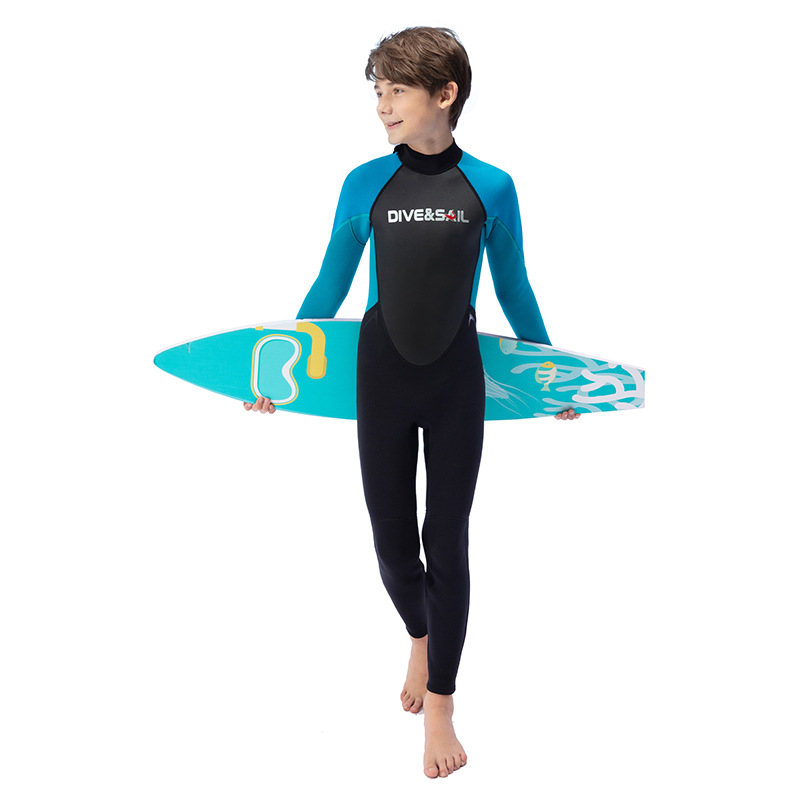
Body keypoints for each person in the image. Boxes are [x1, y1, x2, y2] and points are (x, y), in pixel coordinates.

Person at [244, 27, 580, 779]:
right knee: (394, 545)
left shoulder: (491, 187)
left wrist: (552, 372)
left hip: (455, 379)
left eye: (396, 90)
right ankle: (420, 636)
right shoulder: (365, 183)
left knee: (447, 540)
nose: (382, 105)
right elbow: (330, 283)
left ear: (445, 94)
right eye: (378, 91)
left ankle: (441, 706)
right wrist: (279, 369)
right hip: (383, 377)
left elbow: (514, 284)